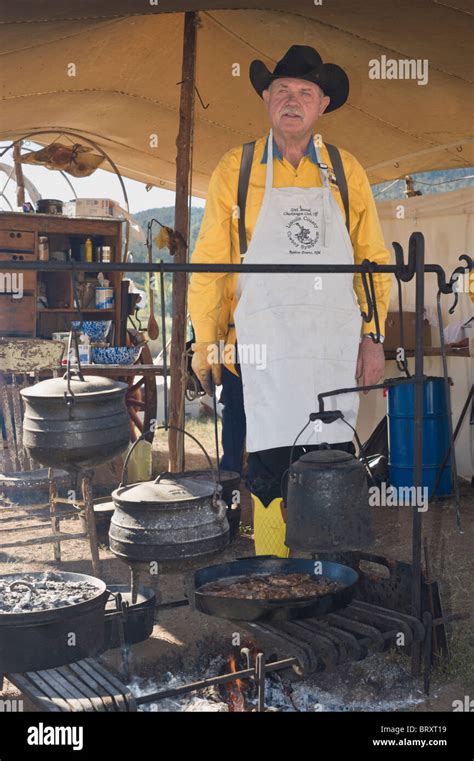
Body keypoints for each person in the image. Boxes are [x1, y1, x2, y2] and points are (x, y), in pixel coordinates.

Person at [188, 45, 391, 556]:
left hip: (330, 355)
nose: (293, 101)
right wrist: (205, 342)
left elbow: (373, 263)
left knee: (330, 465)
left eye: (305, 92)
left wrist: (373, 337)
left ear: (323, 104)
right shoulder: (236, 169)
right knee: (265, 474)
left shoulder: (346, 172)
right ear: (265, 99)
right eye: (282, 91)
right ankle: (277, 581)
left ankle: (330, 573)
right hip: (255, 354)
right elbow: (211, 263)